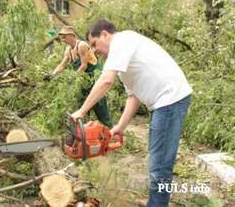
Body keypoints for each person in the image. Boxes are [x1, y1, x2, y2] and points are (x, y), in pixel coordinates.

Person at [71, 19, 192, 207]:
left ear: (105, 34)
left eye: (94, 44)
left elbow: (105, 81)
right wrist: (120, 126)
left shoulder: (122, 41)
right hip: (164, 102)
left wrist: (82, 110)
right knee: (157, 161)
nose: (94, 51)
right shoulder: (122, 57)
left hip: (170, 99)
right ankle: (156, 201)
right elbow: (133, 96)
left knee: (159, 166)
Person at [45, 26, 113, 128]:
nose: (63, 40)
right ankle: (83, 134)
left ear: (71, 36)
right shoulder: (68, 50)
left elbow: (83, 65)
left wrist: (72, 77)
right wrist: (52, 74)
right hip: (82, 82)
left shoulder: (81, 45)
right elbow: (62, 65)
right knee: (80, 107)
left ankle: (110, 131)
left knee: (100, 108)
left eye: (65, 37)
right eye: (62, 38)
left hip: (93, 79)